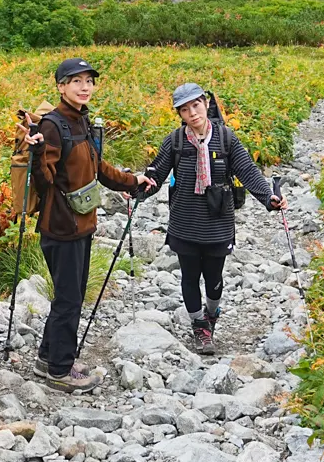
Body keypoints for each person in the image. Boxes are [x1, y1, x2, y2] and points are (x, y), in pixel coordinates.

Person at [27, 58, 157, 392]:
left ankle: (48, 358)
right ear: (61, 86)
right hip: (61, 227)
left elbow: (98, 167)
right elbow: (44, 183)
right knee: (69, 299)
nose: (85, 87)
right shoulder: (54, 125)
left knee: (69, 296)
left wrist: (132, 181)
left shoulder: (81, 121)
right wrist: (38, 152)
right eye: (76, 81)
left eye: (89, 81)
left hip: (81, 224)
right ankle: (60, 371)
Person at [144, 82, 281, 355]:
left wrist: (269, 198)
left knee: (214, 277)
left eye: (196, 105)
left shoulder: (226, 138)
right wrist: (134, 189)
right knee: (189, 276)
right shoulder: (175, 141)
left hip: (218, 223)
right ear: (180, 114)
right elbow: (155, 176)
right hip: (184, 221)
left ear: (206, 104)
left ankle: (211, 314)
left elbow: (248, 171)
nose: (192, 113)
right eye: (185, 109)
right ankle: (199, 326)